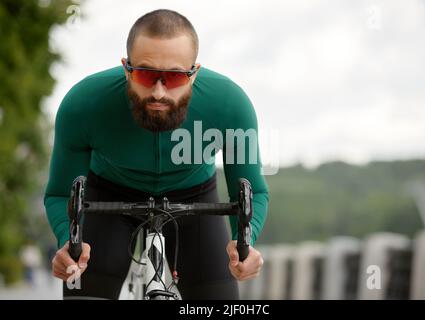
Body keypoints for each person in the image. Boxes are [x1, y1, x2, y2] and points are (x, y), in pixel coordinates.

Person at [44, 9, 269, 300]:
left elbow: (255, 193)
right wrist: (68, 242)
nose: (159, 92)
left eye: (174, 78)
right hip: (108, 196)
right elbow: (61, 194)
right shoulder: (83, 104)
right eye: (145, 74)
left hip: (194, 198)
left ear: (194, 73)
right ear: (126, 68)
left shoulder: (231, 104)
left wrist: (244, 244)